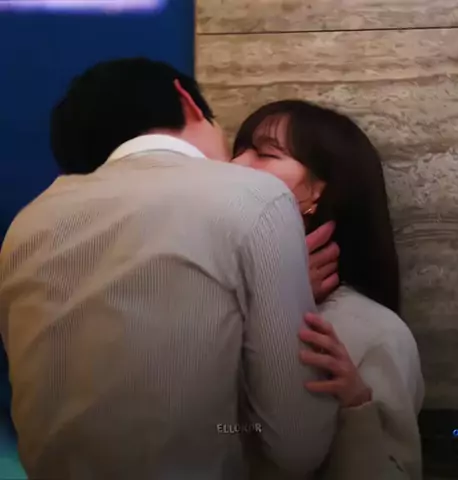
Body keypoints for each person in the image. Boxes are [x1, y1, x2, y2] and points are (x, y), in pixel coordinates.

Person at [0, 58, 338, 479]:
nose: (238, 162)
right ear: (188, 102)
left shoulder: (27, 225)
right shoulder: (256, 196)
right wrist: (276, 291)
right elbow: (298, 444)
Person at [232, 100, 425, 479]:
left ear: (320, 190)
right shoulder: (221, 296)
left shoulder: (374, 333)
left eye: (265, 153)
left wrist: (357, 407)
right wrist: (272, 294)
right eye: (237, 150)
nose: (236, 165)